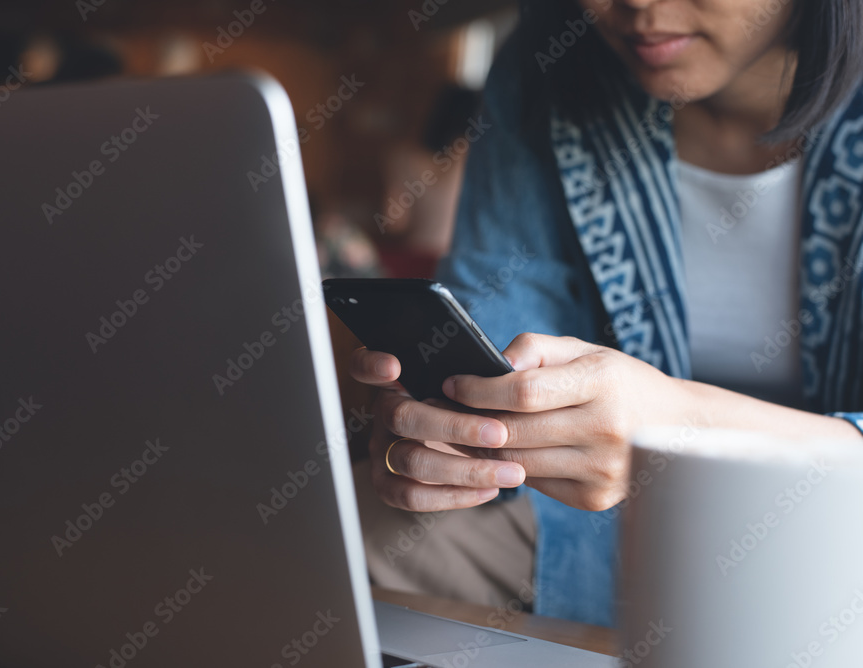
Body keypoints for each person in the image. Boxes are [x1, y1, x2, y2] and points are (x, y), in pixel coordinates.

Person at [349, 0, 863, 627]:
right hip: (601, 527)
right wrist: (453, 426)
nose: (638, 5)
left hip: (841, 534)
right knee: (340, 535)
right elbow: (500, 335)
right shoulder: (550, 59)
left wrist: (680, 433)